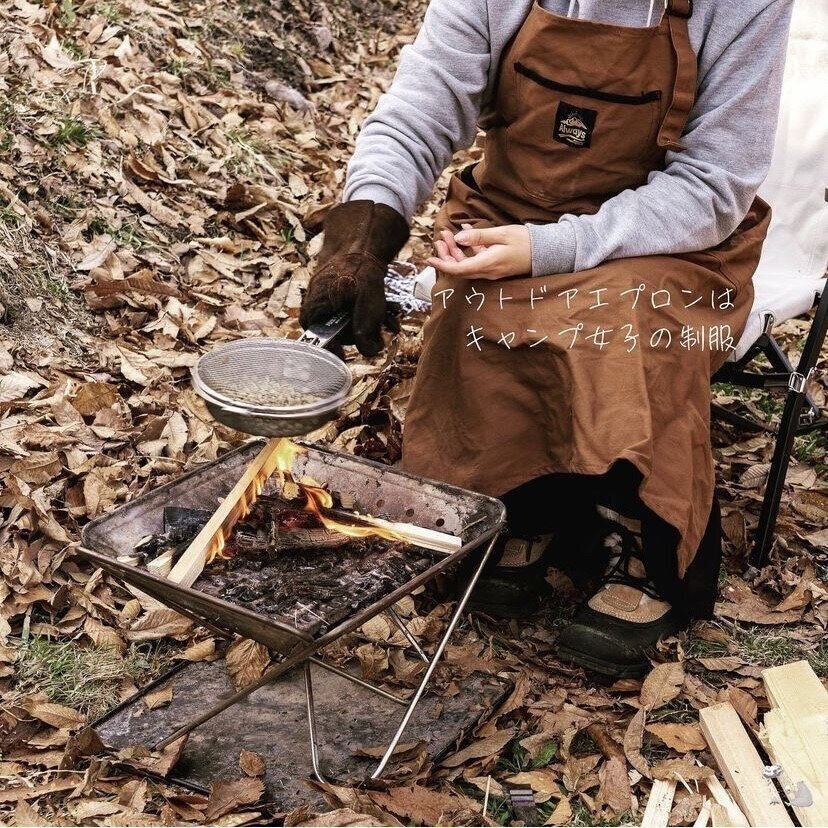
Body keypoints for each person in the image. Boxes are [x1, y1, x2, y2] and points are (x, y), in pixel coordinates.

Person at [299, 0, 793, 677]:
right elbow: (420, 110)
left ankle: (638, 531)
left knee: (624, 317)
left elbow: (715, 183)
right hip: (512, 213)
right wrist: (362, 236)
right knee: (477, 311)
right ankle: (527, 504)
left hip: (673, 242)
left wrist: (552, 248)